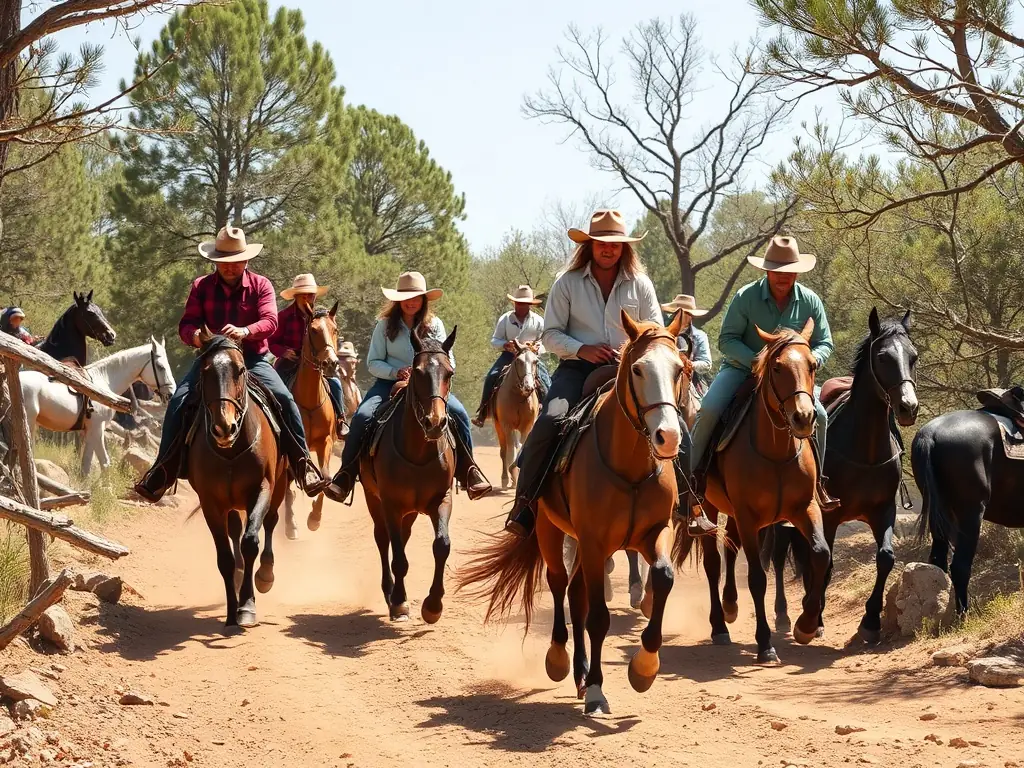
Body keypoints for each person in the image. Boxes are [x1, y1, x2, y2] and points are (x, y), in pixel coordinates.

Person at [502, 209, 717, 537]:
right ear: (589, 245)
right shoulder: (567, 283)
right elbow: (550, 335)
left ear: (624, 248)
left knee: (677, 427)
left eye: (615, 244)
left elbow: (657, 332)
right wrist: (581, 348)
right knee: (549, 420)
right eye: (601, 243)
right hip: (577, 369)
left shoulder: (640, 284)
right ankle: (525, 503)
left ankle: (690, 506)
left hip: (631, 370)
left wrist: (632, 351)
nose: (608, 249)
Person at [133, 226, 326, 502]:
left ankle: (303, 465)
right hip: (211, 358)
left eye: (236, 262)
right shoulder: (201, 286)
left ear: (246, 260)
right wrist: (197, 337)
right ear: (215, 262)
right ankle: (163, 470)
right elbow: (186, 324)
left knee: (284, 398)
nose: (230, 268)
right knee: (179, 401)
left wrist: (246, 331)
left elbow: (270, 321)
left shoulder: (261, 285)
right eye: (224, 263)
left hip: (252, 359)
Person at [687, 235, 839, 514]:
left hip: (792, 377)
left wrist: (809, 360)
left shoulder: (811, 301)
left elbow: (825, 342)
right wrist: (760, 361)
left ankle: (819, 483)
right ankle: (692, 485)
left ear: (797, 271)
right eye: (777, 271)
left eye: (788, 271)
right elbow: (727, 340)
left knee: (820, 415)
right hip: (742, 370)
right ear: (766, 270)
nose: (783, 277)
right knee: (708, 409)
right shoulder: (746, 297)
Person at [322, 271, 491, 502]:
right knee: (362, 416)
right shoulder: (384, 326)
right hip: (388, 384)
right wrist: (396, 372)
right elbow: (373, 362)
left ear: (423, 300)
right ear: (398, 300)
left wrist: (430, 373)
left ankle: (469, 471)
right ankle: (345, 476)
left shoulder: (436, 325)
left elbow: (447, 358)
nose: (411, 302)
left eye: (417, 297)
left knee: (460, 413)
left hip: (429, 385)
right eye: (406, 297)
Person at [269, 273, 347, 438]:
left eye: (310, 293)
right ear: (295, 295)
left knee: (336, 384)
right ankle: (274, 422)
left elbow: (330, 339)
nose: (307, 297)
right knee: (275, 387)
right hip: (289, 361)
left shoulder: (323, 317)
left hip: (318, 362)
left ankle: (340, 421)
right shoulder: (284, 316)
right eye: (303, 293)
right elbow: (271, 341)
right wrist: (284, 352)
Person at [472, 284, 551, 427]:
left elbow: (545, 341)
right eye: (519, 303)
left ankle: (548, 415)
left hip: (530, 358)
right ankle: (482, 413)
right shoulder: (505, 319)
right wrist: (504, 345)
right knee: (491, 376)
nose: (522, 306)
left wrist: (538, 347)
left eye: (525, 303)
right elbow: (495, 340)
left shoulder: (538, 321)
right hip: (509, 356)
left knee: (546, 380)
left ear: (530, 304)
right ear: (514, 302)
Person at [661, 294, 712, 396]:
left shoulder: (699, 336)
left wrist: (690, 364)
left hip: (690, 380)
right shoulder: (662, 331)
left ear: (690, 316)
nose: (679, 315)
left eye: (684, 313)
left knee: (704, 408)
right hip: (662, 376)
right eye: (677, 312)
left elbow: (706, 363)